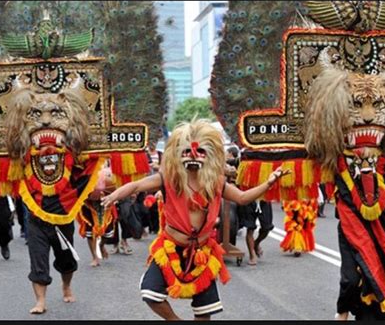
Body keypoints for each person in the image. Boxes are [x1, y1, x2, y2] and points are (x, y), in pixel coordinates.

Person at [101, 119, 290, 320]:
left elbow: (242, 198)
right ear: (178, 154)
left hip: (202, 253)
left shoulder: (216, 183)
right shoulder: (170, 179)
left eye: (200, 152)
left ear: (208, 155)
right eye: (187, 152)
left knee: (204, 312)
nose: (193, 156)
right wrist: (113, 196)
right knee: (150, 293)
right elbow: (136, 186)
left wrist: (268, 184)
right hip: (171, 248)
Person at [239, 200, 273, 265]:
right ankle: (252, 255)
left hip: (264, 198)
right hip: (249, 197)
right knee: (250, 228)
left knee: (267, 227)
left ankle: (256, 243)